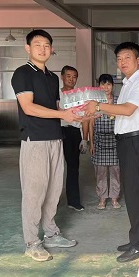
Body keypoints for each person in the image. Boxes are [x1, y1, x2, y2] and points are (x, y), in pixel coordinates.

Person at [11, 29, 80, 262]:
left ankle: (51, 233)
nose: (42, 49)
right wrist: (62, 114)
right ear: (28, 48)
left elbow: (58, 108)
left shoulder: (52, 77)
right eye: (37, 44)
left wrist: (80, 114)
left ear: (52, 49)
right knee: (34, 192)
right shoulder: (22, 73)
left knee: (54, 189)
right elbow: (28, 107)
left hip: (55, 138)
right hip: (35, 140)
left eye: (47, 45)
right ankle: (32, 242)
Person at [83, 42, 139, 263]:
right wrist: (100, 112)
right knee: (132, 192)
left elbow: (128, 110)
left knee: (134, 192)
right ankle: (138, 239)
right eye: (119, 59)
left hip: (135, 141)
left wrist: (98, 106)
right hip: (126, 141)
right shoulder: (127, 83)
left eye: (127, 57)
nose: (122, 62)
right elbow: (121, 113)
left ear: (138, 60)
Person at [89, 74, 121, 210]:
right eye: (103, 84)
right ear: (99, 86)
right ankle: (102, 198)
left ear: (113, 86)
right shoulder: (95, 102)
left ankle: (114, 198)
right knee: (100, 172)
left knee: (116, 171)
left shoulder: (119, 100)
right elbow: (91, 123)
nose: (106, 87)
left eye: (108, 84)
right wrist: (91, 143)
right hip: (100, 141)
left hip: (115, 141)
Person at [60, 65, 86, 212]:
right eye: (68, 76)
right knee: (56, 168)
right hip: (59, 131)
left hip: (75, 132)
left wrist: (84, 138)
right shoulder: (56, 95)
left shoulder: (80, 96)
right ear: (62, 77)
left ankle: (73, 201)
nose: (71, 79)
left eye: (74, 77)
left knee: (73, 167)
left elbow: (84, 119)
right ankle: (53, 201)